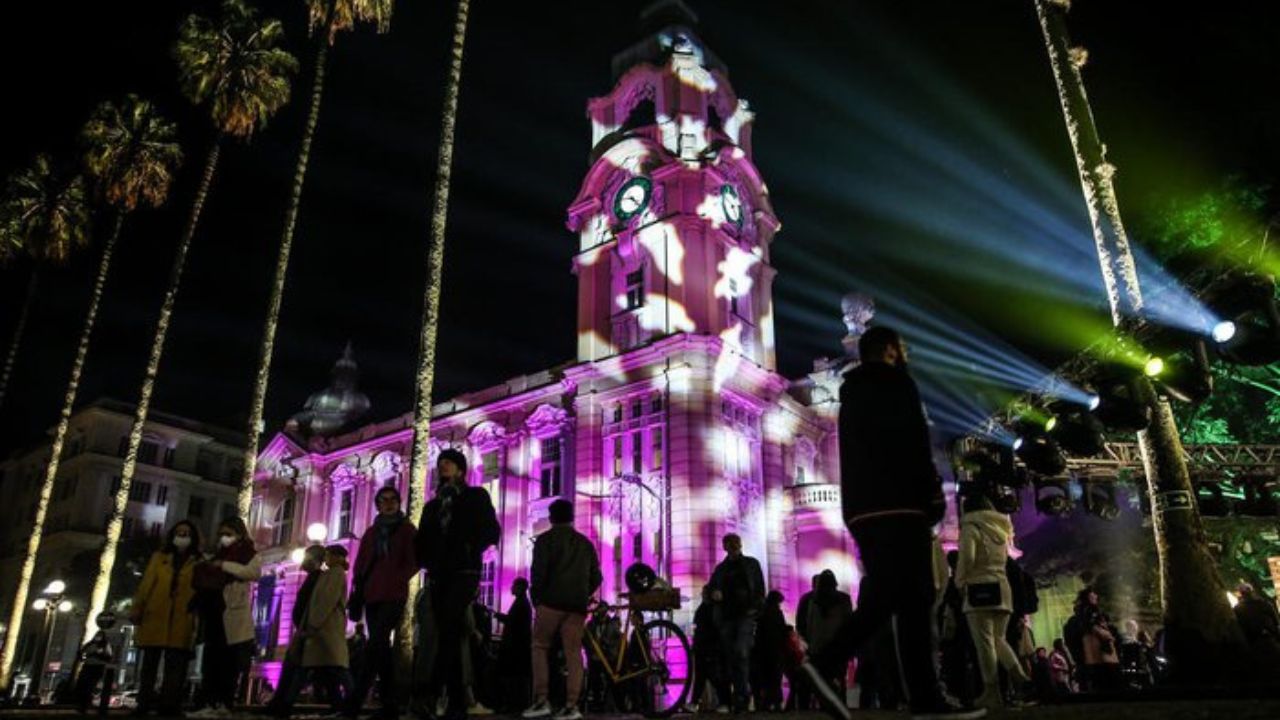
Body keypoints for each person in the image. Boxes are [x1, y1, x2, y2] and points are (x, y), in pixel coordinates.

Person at [816, 326, 986, 720]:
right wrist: (932, 494)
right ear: (891, 350)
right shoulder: (897, 382)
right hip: (900, 505)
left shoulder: (850, 393)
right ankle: (829, 664)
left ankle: (917, 695)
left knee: (894, 595)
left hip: (862, 510)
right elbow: (913, 442)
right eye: (901, 348)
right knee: (912, 597)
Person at [416, 449, 501, 720]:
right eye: (440, 463)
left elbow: (491, 530)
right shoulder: (432, 505)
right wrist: (427, 562)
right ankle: (455, 700)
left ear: (461, 470)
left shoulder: (475, 496)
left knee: (450, 625)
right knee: (448, 632)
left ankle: (433, 693)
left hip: (464, 571)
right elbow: (422, 539)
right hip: (440, 574)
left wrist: (470, 548)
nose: (443, 467)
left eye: (449, 463)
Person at [522, 498, 602, 720]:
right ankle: (571, 705)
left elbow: (538, 573)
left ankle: (541, 699)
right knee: (573, 653)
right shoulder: (585, 543)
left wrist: (537, 599)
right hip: (576, 606)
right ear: (571, 517)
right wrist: (582, 593)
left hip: (550, 602)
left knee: (540, 646)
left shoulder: (545, 541)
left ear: (551, 517)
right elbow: (597, 577)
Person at [346, 485, 419, 720]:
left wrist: (398, 577)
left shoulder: (407, 530)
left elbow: (414, 560)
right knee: (382, 650)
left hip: (393, 595)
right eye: (383, 500)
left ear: (399, 503)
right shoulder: (371, 531)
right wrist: (358, 588)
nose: (388, 503)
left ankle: (354, 702)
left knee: (374, 644)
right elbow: (360, 563)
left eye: (392, 500)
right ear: (377, 504)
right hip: (372, 596)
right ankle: (390, 706)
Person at [954, 491, 1030, 711]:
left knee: (984, 644)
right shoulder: (1000, 530)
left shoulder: (971, 527)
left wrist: (960, 582)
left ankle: (992, 692)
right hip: (1002, 588)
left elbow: (967, 557)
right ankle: (1019, 676)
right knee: (999, 639)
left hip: (979, 590)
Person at [130, 520, 202, 716]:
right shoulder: (159, 557)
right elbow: (146, 584)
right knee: (149, 665)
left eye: (186, 533)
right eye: (179, 532)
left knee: (176, 666)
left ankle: (169, 705)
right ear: (172, 535)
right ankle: (143, 703)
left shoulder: (199, 561)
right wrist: (138, 607)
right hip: (156, 614)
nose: (182, 536)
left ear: (193, 537)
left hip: (181, 617)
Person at [191, 517, 260, 717]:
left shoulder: (249, 554)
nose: (224, 537)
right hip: (215, 611)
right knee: (211, 660)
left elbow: (253, 573)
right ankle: (209, 702)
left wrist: (224, 565)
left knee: (228, 663)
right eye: (221, 533)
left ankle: (224, 703)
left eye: (228, 533)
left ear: (239, 534)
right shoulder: (219, 554)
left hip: (233, 612)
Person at [707, 533, 765, 713]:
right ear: (725, 547)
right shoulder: (721, 569)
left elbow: (760, 588)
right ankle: (739, 697)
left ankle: (742, 696)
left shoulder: (751, 564)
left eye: (734, 543)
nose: (732, 547)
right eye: (728, 544)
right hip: (726, 617)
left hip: (746, 615)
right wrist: (714, 593)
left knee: (741, 652)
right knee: (732, 658)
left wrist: (756, 608)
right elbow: (710, 588)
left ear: (739, 545)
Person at [268, 545, 328, 718]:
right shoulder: (313, 577)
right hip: (303, 629)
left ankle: (282, 704)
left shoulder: (317, 578)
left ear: (314, 559)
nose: (303, 561)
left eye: (306, 557)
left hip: (306, 630)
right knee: (296, 668)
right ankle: (281, 703)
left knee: (297, 668)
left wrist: (306, 627)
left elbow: (310, 605)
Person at [805, 571, 853, 699]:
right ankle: (842, 701)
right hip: (838, 643)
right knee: (840, 676)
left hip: (818, 645)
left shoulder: (812, 601)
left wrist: (810, 644)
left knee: (823, 678)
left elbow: (809, 625)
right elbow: (848, 622)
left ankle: (825, 703)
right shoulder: (844, 599)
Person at [495, 578, 533, 712]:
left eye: (514, 585)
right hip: (519, 647)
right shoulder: (522, 603)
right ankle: (517, 704)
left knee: (516, 678)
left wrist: (498, 616)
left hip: (517, 648)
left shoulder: (521, 604)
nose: (511, 588)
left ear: (520, 588)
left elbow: (513, 623)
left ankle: (516, 704)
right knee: (518, 677)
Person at [751, 590, 788, 712]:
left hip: (763, 651)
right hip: (775, 650)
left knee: (766, 678)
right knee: (775, 678)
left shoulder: (762, 614)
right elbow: (782, 631)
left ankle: (766, 703)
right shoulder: (777, 613)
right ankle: (776, 702)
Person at [788, 575, 821, 711]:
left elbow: (800, 622)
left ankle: (804, 705)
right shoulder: (808, 599)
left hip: (809, 643)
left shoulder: (806, 598)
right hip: (815, 643)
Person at [1233, 582, 1280, 675]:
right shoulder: (1265, 603)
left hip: (1254, 641)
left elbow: (1240, 625)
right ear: (1252, 591)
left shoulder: (1238, 609)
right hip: (1270, 636)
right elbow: (1275, 621)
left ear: (1241, 593)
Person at [691, 585, 724, 712]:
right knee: (705, 676)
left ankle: (724, 701)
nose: (702, 595)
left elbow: (707, 630)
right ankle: (695, 703)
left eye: (704, 593)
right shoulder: (707, 608)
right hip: (704, 647)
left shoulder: (708, 609)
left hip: (706, 647)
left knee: (709, 676)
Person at [74, 630, 114, 715]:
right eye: (97, 635)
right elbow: (80, 652)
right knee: (84, 685)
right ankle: (82, 705)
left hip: (97, 667)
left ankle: (85, 705)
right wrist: (84, 658)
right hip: (88, 665)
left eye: (100, 636)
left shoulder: (105, 645)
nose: (98, 637)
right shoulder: (90, 644)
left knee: (90, 686)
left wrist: (97, 655)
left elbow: (108, 657)